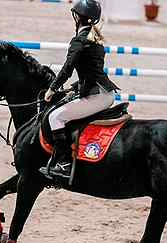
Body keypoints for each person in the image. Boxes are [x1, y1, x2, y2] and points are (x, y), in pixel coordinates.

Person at [42, 0, 120, 179]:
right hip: (105, 93)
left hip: (97, 96)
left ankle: (64, 163)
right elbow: (91, 70)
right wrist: (75, 87)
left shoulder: (80, 40)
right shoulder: (95, 39)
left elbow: (68, 67)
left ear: (77, 17)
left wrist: (52, 89)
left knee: (56, 117)